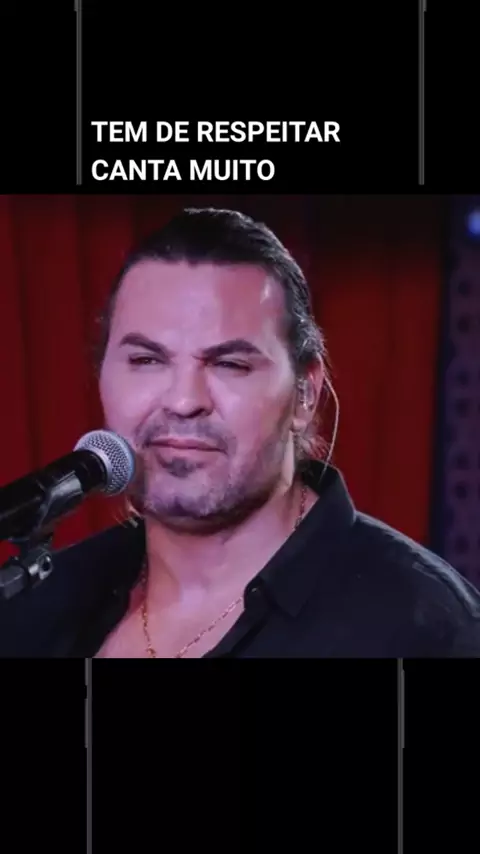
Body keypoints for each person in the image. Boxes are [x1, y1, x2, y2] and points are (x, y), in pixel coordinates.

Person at [1, 206, 479, 658]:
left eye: (229, 364)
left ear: (305, 393)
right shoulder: (38, 605)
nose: (183, 401)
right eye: (146, 360)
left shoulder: (421, 626)